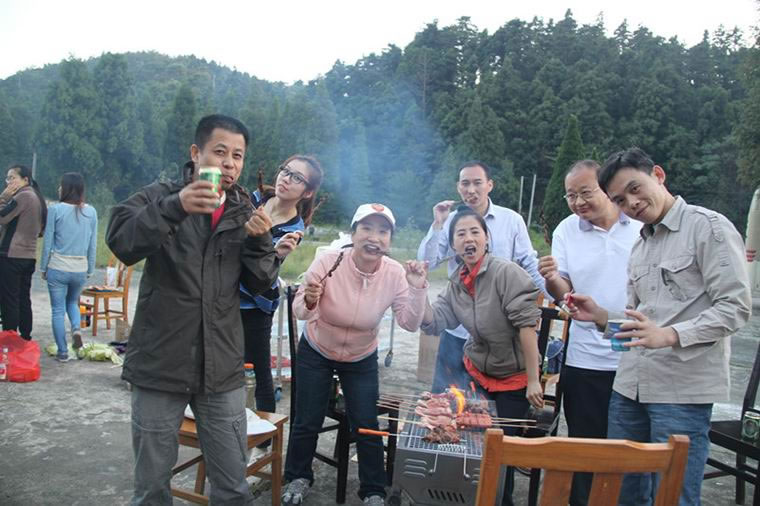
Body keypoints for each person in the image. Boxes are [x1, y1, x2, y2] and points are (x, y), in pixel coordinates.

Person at [106, 114, 281, 505]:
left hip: (221, 368)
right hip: (160, 362)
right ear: (196, 153)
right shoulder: (162, 195)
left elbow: (261, 284)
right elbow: (121, 241)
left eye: (237, 155)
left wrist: (260, 241)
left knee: (232, 486)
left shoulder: (243, 211)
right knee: (151, 488)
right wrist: (175, 207)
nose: (229, 163)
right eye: (219, 152)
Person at [567, 147, 751, 506]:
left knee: (672, 495)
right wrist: (601, 317)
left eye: (635, 189)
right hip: (629, 388)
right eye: (620, 200)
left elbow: (735, 307)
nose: (632, 203)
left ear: (658, 175)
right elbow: (641, 324)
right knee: (621, 492)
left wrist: (670, 335)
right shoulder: (641, 246)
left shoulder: (707, 227)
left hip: (680, 392)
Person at [283, 203, 427, 506]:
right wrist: (309, 301)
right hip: (318, 348)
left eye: (383, 231)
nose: (374, 237)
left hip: (361, 355)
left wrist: (416, 289)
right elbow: (299, 311)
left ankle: (373, 490)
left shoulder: (394, 273)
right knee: (307, 418)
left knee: (366, 423)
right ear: (353, 233)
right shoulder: (329, 261)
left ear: (390, 240)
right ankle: (297, 476)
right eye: (367, 228)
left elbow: (410, 323)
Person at [419, 206, 543, 506]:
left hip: (513, 379)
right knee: (471, 443)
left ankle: (502, 500)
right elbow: (434, 321)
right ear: (453, 245)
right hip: (476, 374)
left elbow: (527, 326)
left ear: (487, 238)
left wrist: (533, 380)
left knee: (501, 452)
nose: (468, 239)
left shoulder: (506, 272)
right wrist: (418, 287)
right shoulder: (457, 282)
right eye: (460, 234)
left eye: (475, 232)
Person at [537, 159, 642, 505]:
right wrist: (552, 278)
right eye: (571, 195)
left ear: (607, 189)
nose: (578, 202)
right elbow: (563, 293)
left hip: (635, 356)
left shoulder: (639, 224)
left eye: (586, 192)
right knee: (585, 446)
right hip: (585, 360)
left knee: (629, 450)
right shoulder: (567, 230)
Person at [417, 160, 546, 393]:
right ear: (458, 187)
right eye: (465, 184)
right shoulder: (450, 221)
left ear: (490, 185)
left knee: (485, 406)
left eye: (477, 183)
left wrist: (557, 296)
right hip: (458, 327)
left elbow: (529, 263)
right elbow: (427, 262)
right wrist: (437, 224)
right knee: (446, 399)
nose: (471, 190)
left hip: (498, 337)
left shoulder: (511, 220)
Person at [239, 155, 322, 453]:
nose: (286, 178)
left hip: (256, 303)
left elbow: (265, 270)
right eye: (286, 171)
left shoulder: (293, 228)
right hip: (227, 294)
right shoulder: (255, 199)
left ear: (307, 192)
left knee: (259, 369)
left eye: (297, 177)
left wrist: (275, 253)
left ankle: (264, 439)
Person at [40, 172, 98, 362]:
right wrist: (90, 269)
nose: (59, 188)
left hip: (58, 266)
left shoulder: (55, 210)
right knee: (72, 303)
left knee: (57, 310)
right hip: (80, 268)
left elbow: (48, 242)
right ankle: (76, 329)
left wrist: (43, 268)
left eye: (61, 185)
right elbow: (92, 244)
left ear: (66, 188)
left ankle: (63, 352)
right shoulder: (91, 212)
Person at [0, 164, 47, 340]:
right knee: (23, 298)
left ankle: (10, 339)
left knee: (9, 300)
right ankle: (25, 337)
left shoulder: (23, 196)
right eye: (7, 178)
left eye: (12, 178)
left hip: (12, 255)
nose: (9, 182)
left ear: (25, 180)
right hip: (28, 256)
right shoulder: (36, 197)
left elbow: (2, 217)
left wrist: (3, 197)